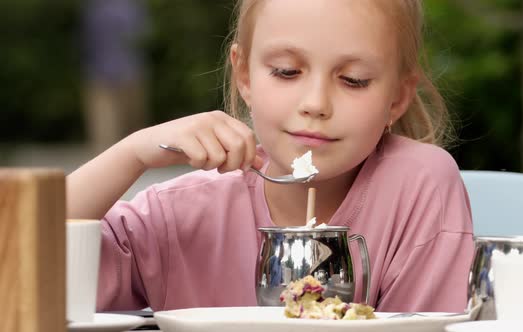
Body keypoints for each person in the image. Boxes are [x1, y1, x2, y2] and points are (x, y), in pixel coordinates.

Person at [67, 0, 474, 313]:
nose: (316, 104)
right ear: (244, 75)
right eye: (286, 71)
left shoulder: (419, 187)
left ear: (397, 97)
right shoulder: (180, 215)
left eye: (354, 80)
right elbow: (21, 266)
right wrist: (130, 154)